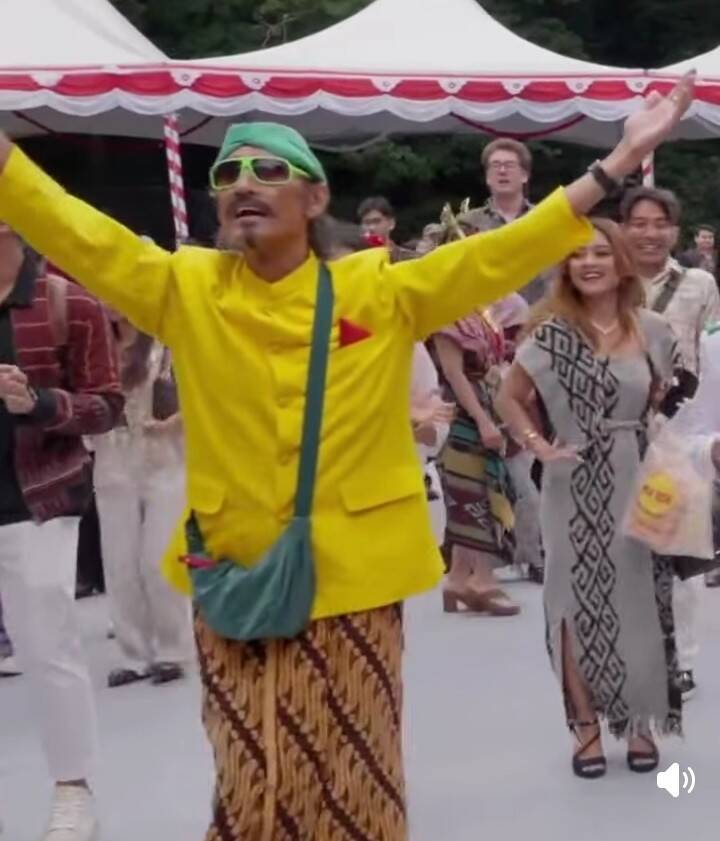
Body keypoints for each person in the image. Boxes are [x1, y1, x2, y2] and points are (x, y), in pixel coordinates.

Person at [0, 74, 693, 839]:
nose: (243, 182)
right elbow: (74, 230)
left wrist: (617, 161)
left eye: (268, 169)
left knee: (352, 772)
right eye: (227, 173)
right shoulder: (182, 287)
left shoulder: (378, 289)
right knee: (250, 769)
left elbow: (503, 253)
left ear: (315, 198)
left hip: (354, 578)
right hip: (234, 571)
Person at [497, 218, 684, 780]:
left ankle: (640, 720)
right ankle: (585, 727)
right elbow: (509, 397)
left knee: (641, 600)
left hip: (640, 479)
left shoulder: (652, 329)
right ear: (565, 267)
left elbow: (665, 399)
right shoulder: (548, 334)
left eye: (601, 253)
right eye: (577, 255)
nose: (589, 263)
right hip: (572, 483)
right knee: (572, 602)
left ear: (620, 261)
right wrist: (538, 445)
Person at [0, 225, 123, 840]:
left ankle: (73, 789)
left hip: (38, 498)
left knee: (47, 644)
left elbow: (107, 405)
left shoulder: (65, 302)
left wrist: (39, 404)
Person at [621, 186, 720, 701]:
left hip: (681, 432)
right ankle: (631, 652)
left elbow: (711, 355)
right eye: (639, 223)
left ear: (676, 231)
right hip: (616, 430)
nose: (650, 233)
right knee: (624, 549)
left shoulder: (699, 284)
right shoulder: (606, 278)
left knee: (680, 551)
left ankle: (681, 659)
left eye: (660, 224)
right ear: (623, 229)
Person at [92, 313, 193, 688]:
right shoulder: (93, 348)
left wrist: (171, 424)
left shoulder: (167, 345)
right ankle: (133, 654)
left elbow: (205, 395)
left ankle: (175, 649)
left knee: (158, 560)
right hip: (112, 464)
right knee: (120, 565)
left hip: (166, 462)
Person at [434, 306, 520, 615]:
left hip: (486, 404)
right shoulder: (446, 318)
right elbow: (454, 375)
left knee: (474, 492)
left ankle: (458, 578)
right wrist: (482, 420)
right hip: (463, 414)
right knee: (477, 492)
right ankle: (482, 578)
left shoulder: (479, 314)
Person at [462, 138, 553, 304]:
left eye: (509, 165)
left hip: (539, 313)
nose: (502, 171)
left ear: (524, 176)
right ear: (487, 177)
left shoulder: (545, 218)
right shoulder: (467, 222)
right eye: (495, 165)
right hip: (486, 315)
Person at [357, 196, 414, 261]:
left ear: (391, 223)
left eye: (377, 221)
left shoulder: (409, 259)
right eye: (367, 223)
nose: (371, 228)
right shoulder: (355, 259)